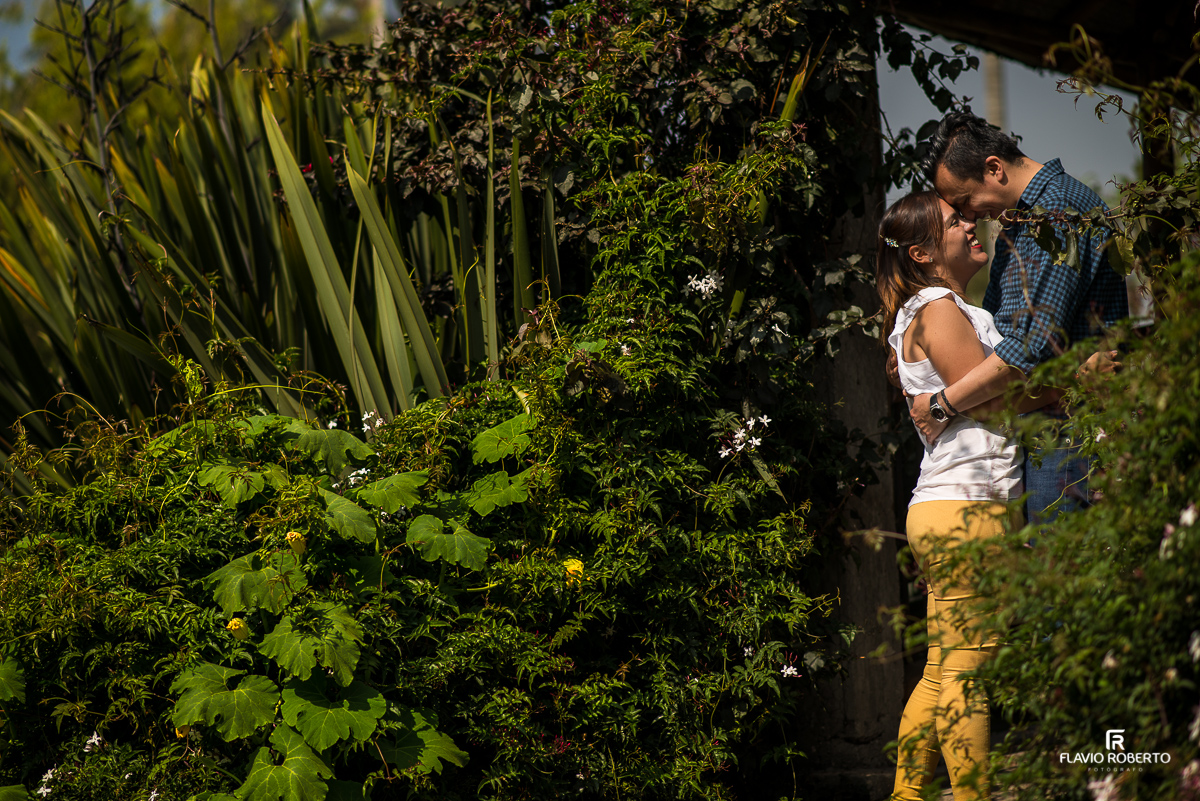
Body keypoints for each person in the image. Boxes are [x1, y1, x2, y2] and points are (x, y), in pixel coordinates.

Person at [877, 191, 1055, 801]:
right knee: (967, 670)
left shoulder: (935, 308)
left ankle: (907, 795)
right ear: (923, 253)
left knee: (942, 669)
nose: (971, 224)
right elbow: (992, 400)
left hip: (947, 506)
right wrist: (1067, 385)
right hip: (966, 508)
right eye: (956, 222)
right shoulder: (938, 308)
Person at [907, 111, 1127, 524]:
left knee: (1058, 556)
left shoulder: (1057, 214)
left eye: (965, 202)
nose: (970, 218)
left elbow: (1028, 349)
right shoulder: (1022, 224)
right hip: (1047, 429)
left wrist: (941, 404)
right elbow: (999, 335)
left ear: (994, 169)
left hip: (1070, 432)